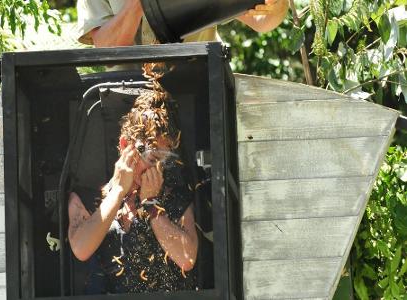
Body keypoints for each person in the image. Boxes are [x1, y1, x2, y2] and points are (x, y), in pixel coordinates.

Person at [68, 73, 198, 293]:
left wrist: (152, 204)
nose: (157, 169)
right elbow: (81, 248)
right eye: (152, 158)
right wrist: (118, 190)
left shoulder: (175, 198)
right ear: (125, 145)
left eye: (164, 161)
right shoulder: (86, 199)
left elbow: (187, 258)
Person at [76, 0, 289, 47]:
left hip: (200, 86)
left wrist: (276, 4)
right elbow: (106, 48)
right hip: (125, 97)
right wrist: (139, 5)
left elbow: (262, 22)